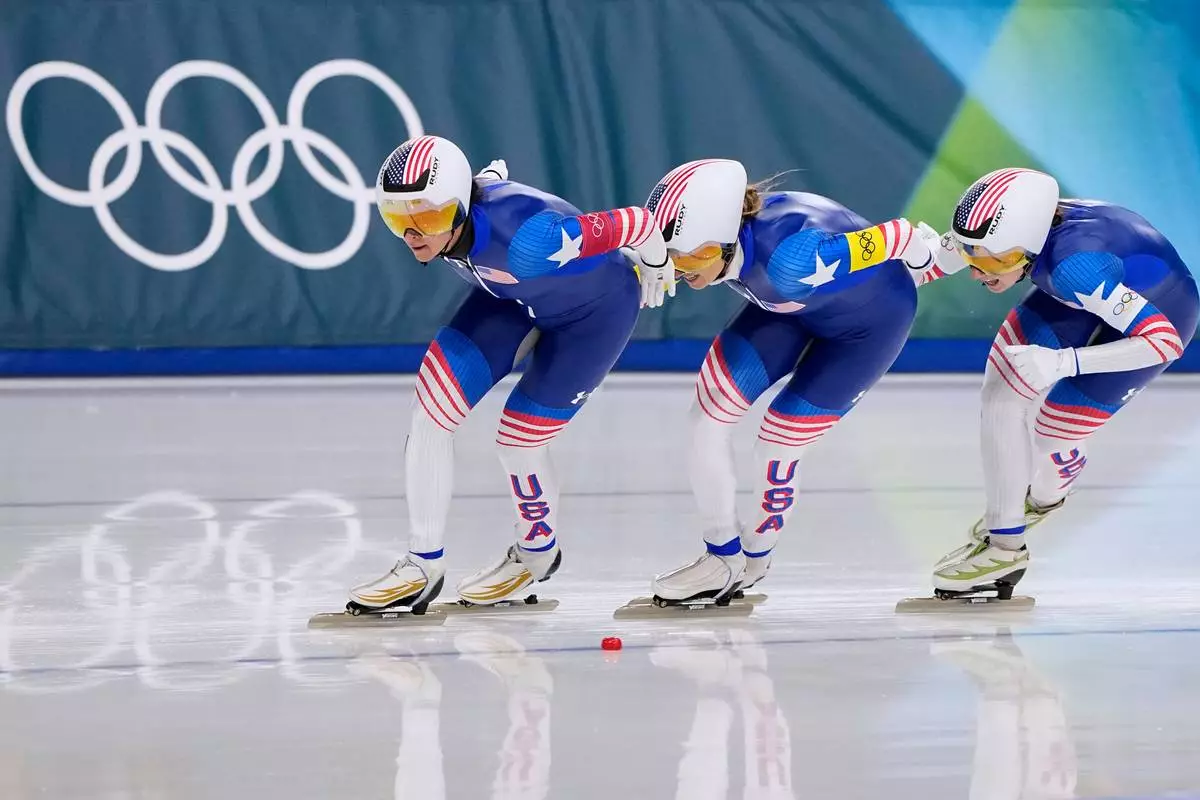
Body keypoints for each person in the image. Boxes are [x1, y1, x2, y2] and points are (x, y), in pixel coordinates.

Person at [347, 135, 675, 614]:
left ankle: (536, 555)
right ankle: (422, 564)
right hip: (509, 299)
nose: (414, 233)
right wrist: (488, 182)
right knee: (430, 414)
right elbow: (482, 189)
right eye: (399, 220)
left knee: (518, 440)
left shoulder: (533, 241)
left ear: (459, 208)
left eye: (429, 218)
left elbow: (639, 221)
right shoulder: (459, 210)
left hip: (593, 317)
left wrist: (655, 260)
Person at [630, 159, 943, 605]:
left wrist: (924, 260)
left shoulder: (794, 259)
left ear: (724, 236)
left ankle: (755, 554)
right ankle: (722, 556)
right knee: (707, 416)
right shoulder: (724, 240)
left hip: (865, 327)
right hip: (785, 309)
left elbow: (901, 235)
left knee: (779, 440)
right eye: (671, 257)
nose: (683, 271)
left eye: (693, 257)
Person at [929, 168, 1197, 599]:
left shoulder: (1075, 268)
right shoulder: (1002, 233)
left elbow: (1164, 343)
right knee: (1001, 391)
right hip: (1086, 293)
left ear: (1029, 245)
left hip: (1156, 316)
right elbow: (926, 262)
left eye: (995, 261)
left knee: (1053, 432)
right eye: (972, 257)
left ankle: (1047, 498)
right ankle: (1005, 547)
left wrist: (1062, 361)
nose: (980, 273)